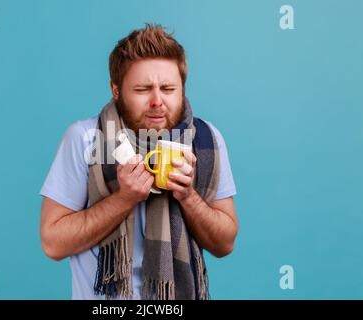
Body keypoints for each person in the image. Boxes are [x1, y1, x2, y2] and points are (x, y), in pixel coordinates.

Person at [39, 24, 238, 300]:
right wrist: (124, 199)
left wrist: (188, 196)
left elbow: (224, 243)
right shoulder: (85, 139)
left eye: (168, 88)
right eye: (143, 89)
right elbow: (53, 243)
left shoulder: (205, 140)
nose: (157, 101)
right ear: (116, 90)